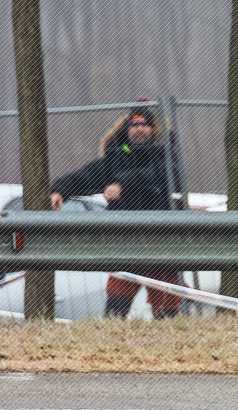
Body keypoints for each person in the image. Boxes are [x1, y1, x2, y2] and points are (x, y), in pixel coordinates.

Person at [51, 103, 182, 318]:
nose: (139, 130)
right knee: (114, 311)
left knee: (166, 315)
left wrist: (123, 184)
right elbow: (88, 175)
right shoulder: (119, 156)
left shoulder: (165, 155)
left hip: (160, 242)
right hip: (125, 243)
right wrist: (60, 191)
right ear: (127, 129)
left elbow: (162, 174)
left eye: (145, 125)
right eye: (134, 125)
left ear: (154, 129)